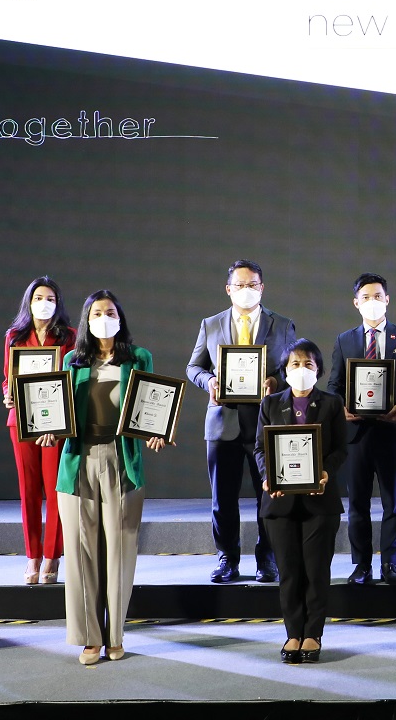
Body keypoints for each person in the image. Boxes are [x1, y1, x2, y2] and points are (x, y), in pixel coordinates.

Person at [55, 290, 167, 665]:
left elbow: (151, 406)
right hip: (78, 461)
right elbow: (59, 409)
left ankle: (115, 635)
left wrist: (155, 431)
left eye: (111, 312)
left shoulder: (138, 357)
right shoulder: (72, 360)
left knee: (120, 550)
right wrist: (48, 427)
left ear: (120, 318)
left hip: (121, 459)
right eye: (97, 313)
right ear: (86, 320)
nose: (104, 318)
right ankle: (90, 638)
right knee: (81, 552)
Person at [187, 260, 295, 584]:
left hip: (266, 424)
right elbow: (194, 367)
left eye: (252, 285)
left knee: (270, 496)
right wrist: (210, 382)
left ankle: (268, 560)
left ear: (262, 288)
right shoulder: (211, 324)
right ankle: (227, 559)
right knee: (223, 499)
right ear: (228, 289)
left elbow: (293, 367)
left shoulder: (282, 324)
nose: (246, 290)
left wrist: (276, 382)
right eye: (240, 285)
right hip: (223, 423)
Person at [326, 274, 396, 587]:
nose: (372, 302)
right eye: (366, 297)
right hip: (356, 434)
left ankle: (390, 564)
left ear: (387, 299)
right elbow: (334, 384)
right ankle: (362, 565)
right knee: (358, 503)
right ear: (356, 303)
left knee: (394, 502)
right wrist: (341, 408)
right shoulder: (345, 340)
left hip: (392, 432)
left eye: (378, 296)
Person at [257, 339, 347, 664]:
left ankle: (313, 634)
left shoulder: (332, 403)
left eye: (308, 364)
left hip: (320, 502)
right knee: (289, 572)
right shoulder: (270, 404)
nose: (301, 369)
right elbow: (260, 448)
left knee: (316, 570)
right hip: (279, 502)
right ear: (284, 370)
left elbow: (341, 449)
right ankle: (293, 633)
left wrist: (324, 472)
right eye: (294, 364)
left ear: (318, 370)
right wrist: (268, 476)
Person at [0, 276, 76, 585]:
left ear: (58, 303)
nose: (44, 303)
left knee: (55, 490)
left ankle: (52, 556)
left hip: (56, 423)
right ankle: (32, 555)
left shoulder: (69, 336)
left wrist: (59, 420)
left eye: (50, 298)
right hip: (21, 420)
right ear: (28, 302)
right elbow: (8, 377)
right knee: (28, 490)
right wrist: (8, 394)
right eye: (38, 298)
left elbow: (73, 378)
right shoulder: (14, 336)